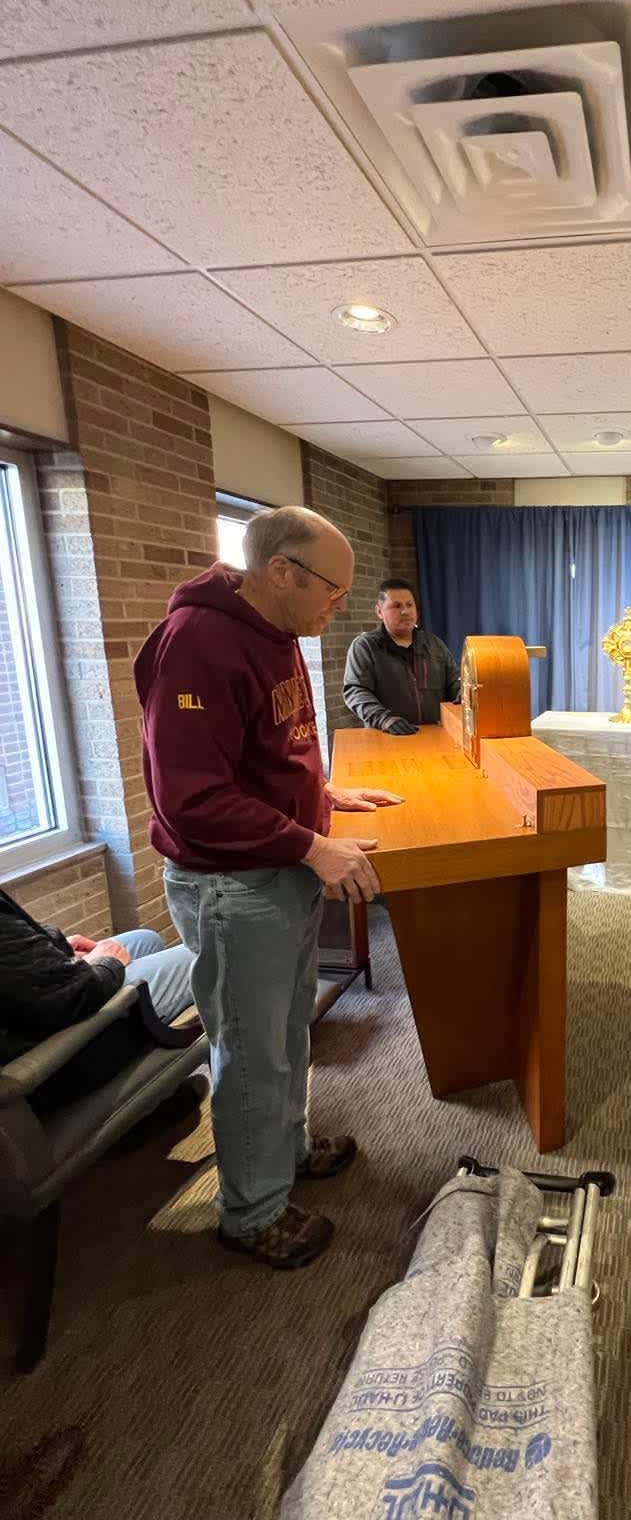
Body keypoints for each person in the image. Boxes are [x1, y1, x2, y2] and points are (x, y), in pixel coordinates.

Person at [134, 505, 401, 1271]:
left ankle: (282, 1156)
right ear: (281, 570)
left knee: (286, 1037)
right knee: (250, 1053)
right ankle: (250, 1213)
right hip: (232, 887)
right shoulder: (199, 644)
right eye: (329, 588)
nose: (337, 606)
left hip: (277, 871)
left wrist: (324, 802)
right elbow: (192, 798)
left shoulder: (280, 634)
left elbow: (272, 755)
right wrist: (312, 842)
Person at [0, 889, 195, 1113]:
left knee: (145, 940)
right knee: (197, 957)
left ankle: (158, 1090)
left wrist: (58, 946)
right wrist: (107, 963)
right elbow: (71, 995)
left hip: (52, 998)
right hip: (58, 1055)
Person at [343, 577, 460, 734]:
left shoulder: (434, 644)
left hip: (434, 736)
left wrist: (462, 694)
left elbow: (454, 681)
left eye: (409, 605)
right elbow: (356, 691)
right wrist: (384, 720)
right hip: (387, 738)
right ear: (379, 611)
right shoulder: (365, 646)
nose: (405, 611)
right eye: (396, 606)